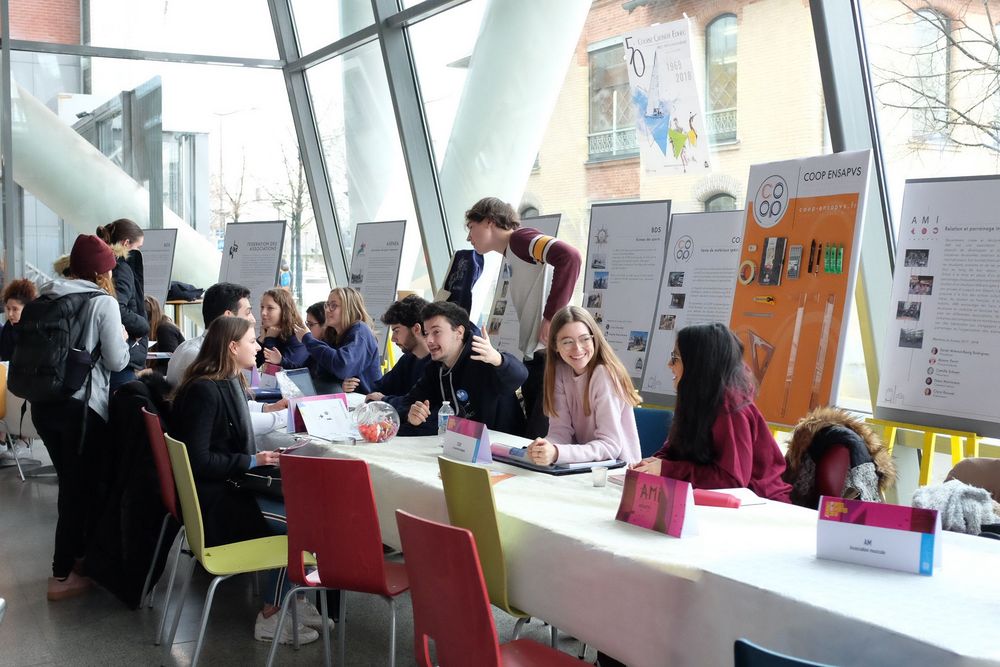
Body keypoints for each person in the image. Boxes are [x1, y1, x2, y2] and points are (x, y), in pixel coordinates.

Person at [170, 316, 322, 644]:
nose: (260, 346)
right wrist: (254, 459)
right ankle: (272, 614)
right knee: (301, 527)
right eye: (253, 341)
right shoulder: (205, 391)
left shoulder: (226, 382)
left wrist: (259, 459)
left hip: (229, 488)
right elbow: (200, 461)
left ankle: (292, 600)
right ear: (232, 347)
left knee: (306, 512)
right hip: (217, 503)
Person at [30, 234, 131, 600]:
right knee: (79, 490)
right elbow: (118, 362)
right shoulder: (102, 303)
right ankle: (62, 577)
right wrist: (120, 336)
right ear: (101, 272)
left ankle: (78, 562)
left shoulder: (47, 294)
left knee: (73, 485)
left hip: (45, 405)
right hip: (82, 409)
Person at [631, 323, 792, 502]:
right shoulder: (694, 397)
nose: (669, 364)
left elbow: (732, 481)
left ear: (698, 365)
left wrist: (665, 469)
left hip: (760, 506)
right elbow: (673, 449)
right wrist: (652, 463)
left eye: (675, 357)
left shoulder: (730, 408)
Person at [464, 197, 582, 438]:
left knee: (540, 436)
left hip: (551, 355)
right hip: (538, 356)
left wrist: (551, 317)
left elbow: (570, 257)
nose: (469, 237)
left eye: (471, 228)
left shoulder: (521, 239)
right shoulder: (514, 252)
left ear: (488, 222)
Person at [166, 282, 287, 437]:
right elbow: (234, 420)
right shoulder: (202, 358)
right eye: (248, 313)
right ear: (228, 317)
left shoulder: (188, 347)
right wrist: (285, 417)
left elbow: (233, 407)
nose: (254, 319)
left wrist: (267, 408)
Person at [525, 306, 642, 466]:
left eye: (585, 339)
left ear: (594, 339)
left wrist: (557, 453)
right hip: (582, 468)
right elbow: (560, 433)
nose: (577, 348)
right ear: (555, 346)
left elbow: (610, 446)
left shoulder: (604, 374)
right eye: (567, 342)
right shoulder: (560, 371)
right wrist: (545, 447)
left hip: (617, 473)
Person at [400, 301, 528, 436]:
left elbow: (520, 376)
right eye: (426, 333)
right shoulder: (434, 369)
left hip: (499, 447)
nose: (429, 340)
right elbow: (409, 402)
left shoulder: (483, 357)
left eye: (436, 332)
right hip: (459, 445)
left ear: (459, 332)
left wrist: (499, 360)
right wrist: (411, 415)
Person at [293, 287, 381, 394]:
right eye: (327, 305)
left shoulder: (360, 331)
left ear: (349, 308)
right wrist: (340, 384)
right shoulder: (332, 334)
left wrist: (307, 339)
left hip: (364, 403)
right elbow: (322, 373)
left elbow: (343, 366)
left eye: (333, 306)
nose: (327, 310)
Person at [350, 295, 430, 410]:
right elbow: (380, 387)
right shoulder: (408, 359)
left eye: (396, 331)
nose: (393, 339)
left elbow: (416, 402)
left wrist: (384, 400)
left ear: (416, 329)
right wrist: (353, 386)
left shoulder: (437, 365)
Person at [96, 218, 148, 390]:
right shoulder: (122, 268)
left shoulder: (100, 265)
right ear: (126, 243)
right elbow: (117, 307)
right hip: (123, 353)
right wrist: (142, 326)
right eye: (138, 247)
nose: (139, 251)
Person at [256, 288, 307, 370]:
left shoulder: (298, 336)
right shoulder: (269, 331)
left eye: (270, 308)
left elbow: (271, 370)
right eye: (262, 307)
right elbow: (253, 364)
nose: (263, 313)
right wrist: (261, 340)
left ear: (284, 311)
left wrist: (270, 339)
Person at [0, 278, 38, 361]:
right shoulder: (7, 329)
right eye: (8, 308)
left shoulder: (37, 331)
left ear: (28, 309)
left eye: (15, 309)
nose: (10, 314)